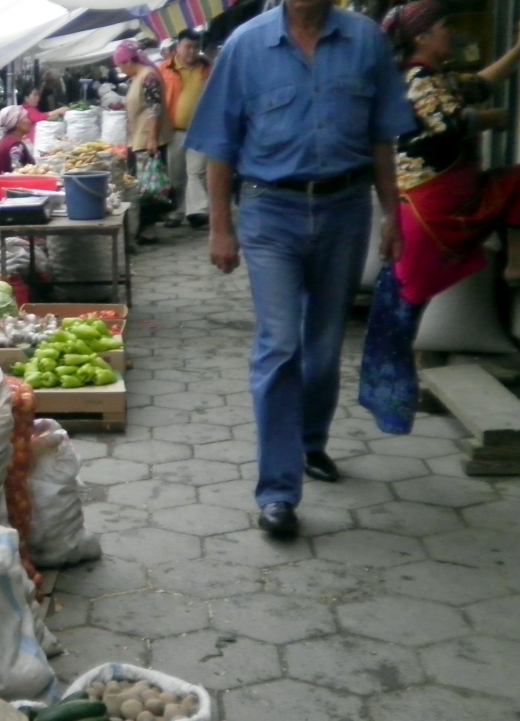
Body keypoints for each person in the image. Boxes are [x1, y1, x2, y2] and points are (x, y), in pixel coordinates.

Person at [185, 0, 415, 538]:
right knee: (280, 343)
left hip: (346, 209)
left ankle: (311, 442)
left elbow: (383, 138)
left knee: (324, 346)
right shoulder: (246, 45)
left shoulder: (366, 41)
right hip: (271, 211)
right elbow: (221, 143)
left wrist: (393, 214)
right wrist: (220, 226)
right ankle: (278, 491)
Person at [360, 3, 520, 434]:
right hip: (434, 209)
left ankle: (395, 398)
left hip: (433, 206)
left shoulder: (436, 77)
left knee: (400, 314)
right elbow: (451, 124)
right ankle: (393, 402)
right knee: (400, 315)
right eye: (446, 25)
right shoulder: (419, 79)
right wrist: (497, 120)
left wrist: (516, 51)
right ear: (422, 37)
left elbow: (480, 84)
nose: (454, 31)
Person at [116, 39, 174, 233]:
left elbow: (154, 108)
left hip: (147, 140)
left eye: (121, 65)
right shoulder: (138, 77)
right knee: (142, 185)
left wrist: (152, 138)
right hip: (139, 139)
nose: (121, 70)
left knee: (147, 187)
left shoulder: (148, 76)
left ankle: (148, 230)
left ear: (128, 61)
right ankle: (144, 228)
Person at [159, 29, 213, 228]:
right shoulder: (164, 69)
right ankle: (177, 212)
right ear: (178, 47)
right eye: (188, 47)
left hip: (201, 131)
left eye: (196, 47)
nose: (192, 51)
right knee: (176, 175)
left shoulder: (207, 69)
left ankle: (198, 212)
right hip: (174, 131)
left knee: (196, 171)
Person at [0, 106, 36, 175]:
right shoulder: (15, 145)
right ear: (17, 124)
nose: (30, 121)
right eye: (26, 118)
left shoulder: (7, 140)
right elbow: (18, 172)